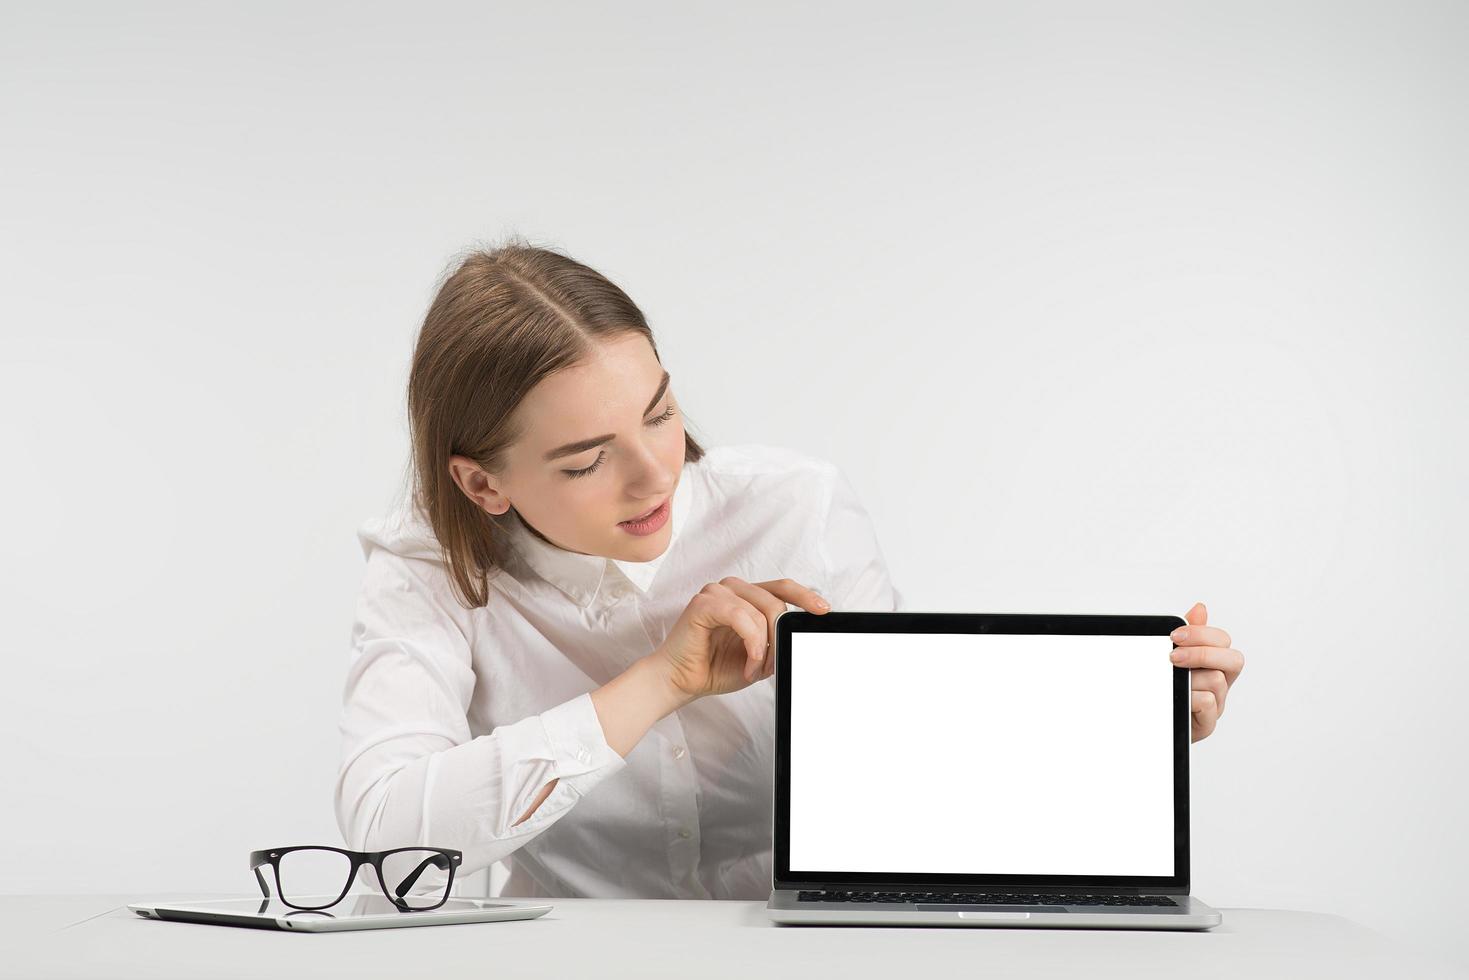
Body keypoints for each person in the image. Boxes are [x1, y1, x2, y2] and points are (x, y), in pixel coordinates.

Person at [333, 239, 1246, 901]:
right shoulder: (426, 567)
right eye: (584, 460)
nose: (657, 471)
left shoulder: (794, 508)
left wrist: (1128, 734)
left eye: (659, 412)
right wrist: (659, 682)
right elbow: (383, 830)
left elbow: (915, 778)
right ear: (481, 483)